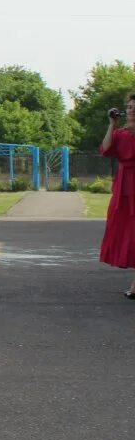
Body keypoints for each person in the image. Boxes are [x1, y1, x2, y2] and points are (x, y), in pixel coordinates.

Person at [100, 93, 135, 297]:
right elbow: (105, 149)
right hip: (124, 189)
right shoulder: (120, 134)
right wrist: (112, 123)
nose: (132, 110)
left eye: (134, 107)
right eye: (129, 107)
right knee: (126, 233)